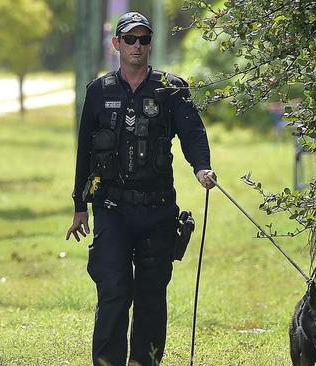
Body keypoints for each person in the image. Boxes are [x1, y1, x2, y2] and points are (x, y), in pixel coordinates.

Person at [65, 11, 216, 366]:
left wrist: (202, 166)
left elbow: (193, 133)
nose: (137, 45)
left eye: (143, 39)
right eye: (130, 39)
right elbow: (84, 152)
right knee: (114, 290)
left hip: (157, 209)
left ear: (150, 44)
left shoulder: (172, 88)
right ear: (116, 43)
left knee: (151, 294)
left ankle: (144, 361)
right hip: (111, 208)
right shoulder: (98, 92)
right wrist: (78, 205)